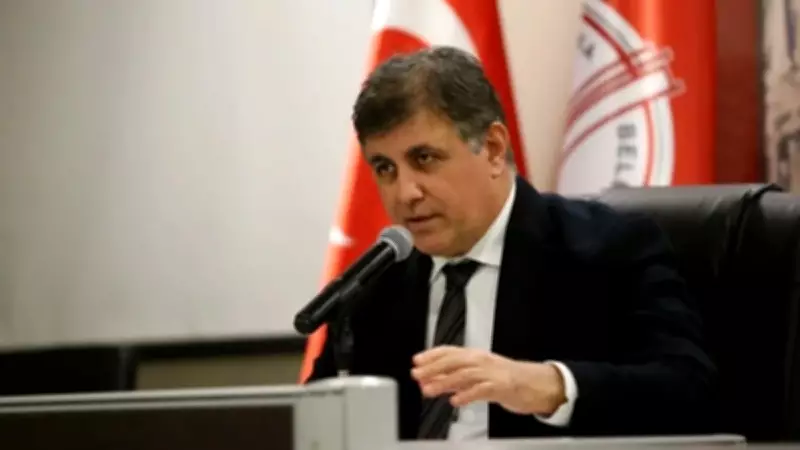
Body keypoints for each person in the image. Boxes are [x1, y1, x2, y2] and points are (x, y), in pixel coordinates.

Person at [305, 46, 717, 441]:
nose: (405, 192)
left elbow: (690, 390)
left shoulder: (606, 249)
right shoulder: (375, 284)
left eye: (424, 159)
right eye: (385, 168)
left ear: (493, 149)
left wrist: (551, 386)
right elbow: (311, 426)